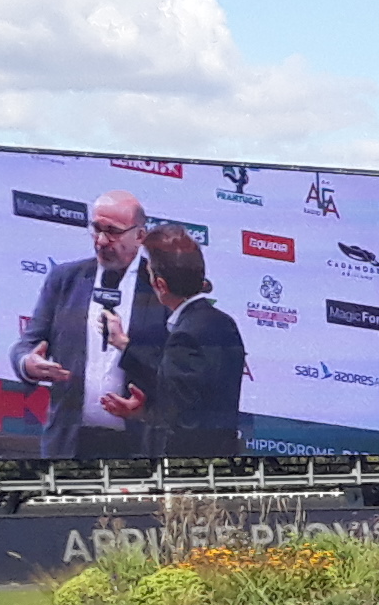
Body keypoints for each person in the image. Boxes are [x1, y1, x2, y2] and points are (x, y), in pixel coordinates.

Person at [12, 188, 148, 459]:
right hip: (68, 444)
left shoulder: (159, 287)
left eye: (113, 231)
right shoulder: (65, 279)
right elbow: (27, 343)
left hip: (140, 446)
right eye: (96, 229)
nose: (101, 240)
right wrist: (28, 363)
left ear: (140, 236)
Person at [105, 228, 246, 458]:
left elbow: (182, 422)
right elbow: (195, 392)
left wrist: (142, 413)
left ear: (160, 285)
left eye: (149, 273)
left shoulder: (185, 335)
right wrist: (125, 345)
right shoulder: (224, 323)